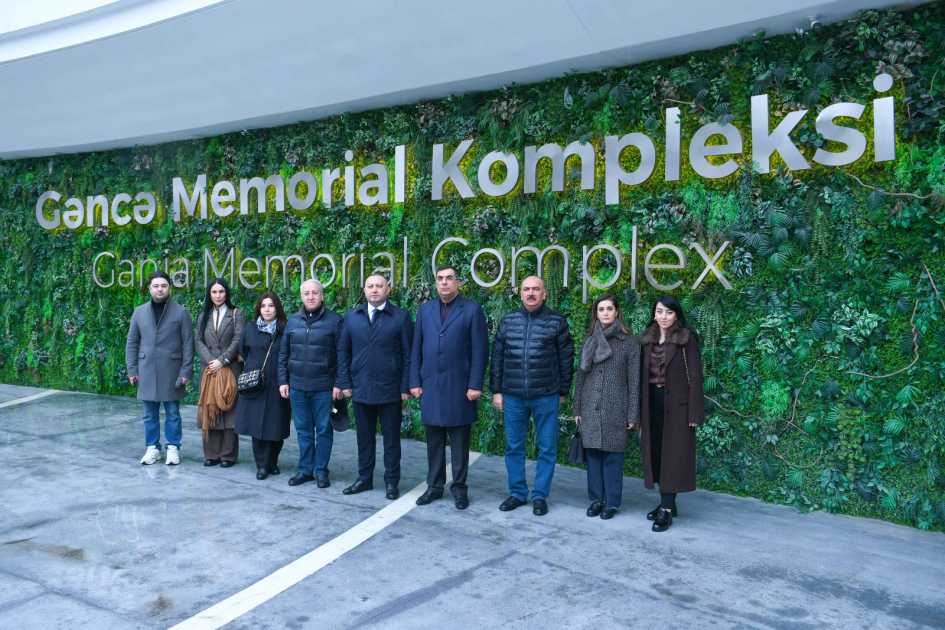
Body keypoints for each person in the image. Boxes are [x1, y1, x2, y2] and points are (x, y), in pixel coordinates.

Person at [490, 276, 573, 516]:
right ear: (521, 294)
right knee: (514, 446)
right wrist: (496, 390)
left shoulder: (556, 321)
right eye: (526, 289)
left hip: (546, 395)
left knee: (547, 447)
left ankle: (540, 496)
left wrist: (563, 391)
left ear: (544, 294)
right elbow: (497, 358)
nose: (531, 293)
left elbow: (566, 358)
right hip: (513, 395)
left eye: (536, 289)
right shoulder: (508, 321)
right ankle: (517, 493)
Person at [409, 264, 488, 510]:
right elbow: (416, 348)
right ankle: (434, 487)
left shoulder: (472, 310)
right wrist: (415, 381)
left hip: (460, 387)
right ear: (436, 283)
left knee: (460, 443)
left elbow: (480, 350)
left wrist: (475, 384)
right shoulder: (425, 310)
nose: (444, 282)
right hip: (430, 385)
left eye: (449, 278)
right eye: (440, 278)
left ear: (458, 283)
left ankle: (459, 489)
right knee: (433, 441)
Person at [338, 274, 414, 500]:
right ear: (364, 290)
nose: (374, 290)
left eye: (379, 286)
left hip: (390, 389)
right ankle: (364, 479)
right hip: (360, 388)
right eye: (370, 286)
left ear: (388, 290)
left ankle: (391, 482)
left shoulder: (400, 317)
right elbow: (343, 351)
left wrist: (406, 386)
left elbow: (408, 355)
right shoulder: (352, 316)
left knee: (391, 440)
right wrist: (345, 382)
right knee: (364, 438)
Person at [638, 295, 705, 532]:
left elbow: (695, 376)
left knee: (673, 456)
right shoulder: (647, 338)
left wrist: (695, 413)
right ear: (654, 314)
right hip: (651, 403)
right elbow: (640, 377)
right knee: (657, 453)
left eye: (669, 312)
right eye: (659, 311)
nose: (663, 316)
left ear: (676, 315)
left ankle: (666, 510)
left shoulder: (686, 338)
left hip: (678, 406)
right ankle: (668, 503)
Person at [573, 294, 640, 520]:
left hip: (616, 406)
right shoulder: (589, 340)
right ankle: (596, 500)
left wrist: (633, 414)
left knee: (613, 456)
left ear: (617, 311)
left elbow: (634, 381)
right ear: (596, 313)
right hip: (590, 405)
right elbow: (581, 377)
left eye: (609, 308)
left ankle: (611, 503)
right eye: (601, 309)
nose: (605, 313)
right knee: (593, 455)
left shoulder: (629, 342)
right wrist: (577, 408)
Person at [278, 279, 344, 488]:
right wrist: (283, 381)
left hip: (324, 387)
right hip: (297, 386)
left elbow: (342, 355)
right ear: (301, 297)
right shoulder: (293, 321)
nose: (311, 296)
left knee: (324, 430)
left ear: (322, 295)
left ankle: (322, 472)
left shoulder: (335, 321)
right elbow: (283, 353)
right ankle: (306, 470)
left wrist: (339, 383)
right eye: (306, 293)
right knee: (303, 430)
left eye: (315, 292)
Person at [125, 270, 194, 466]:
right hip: (146, 369)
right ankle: (153, 448)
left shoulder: (181, 312)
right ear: (150, 289)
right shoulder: (139, 312)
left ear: (169, 288)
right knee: (149, 414)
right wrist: (132, 369)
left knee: (173, 413)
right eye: (156, 286)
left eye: (163, 285)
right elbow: (132, 342)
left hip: (172, 371)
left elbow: (188, 344)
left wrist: (185, 371)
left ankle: (173, 447)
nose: (160, 289)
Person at [236, 292, 292, 480]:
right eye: (263, 306)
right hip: (255, 384)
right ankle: (262, 465)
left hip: (279, 382)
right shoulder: (250, 329)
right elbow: (243, 351)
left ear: (277, 308)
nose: (267, 309)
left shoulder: (285, 329)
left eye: (271, 305)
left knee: (277, 424)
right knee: (257, 425)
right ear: (259, 309)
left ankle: (272, 461)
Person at [194, 278, 245, 468]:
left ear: (226, 293)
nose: (217, 295)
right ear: (210, 294)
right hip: (209, 369)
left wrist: (222, 360)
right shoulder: (203, 316)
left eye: (221, 291)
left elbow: (239, 338)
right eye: (214, 292)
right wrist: (211, 361)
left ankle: (228, 456)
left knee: (230, 409)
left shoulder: (236, 313)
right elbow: (198, 340)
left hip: (230, 367)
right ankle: (212, 454)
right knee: (210, 406)